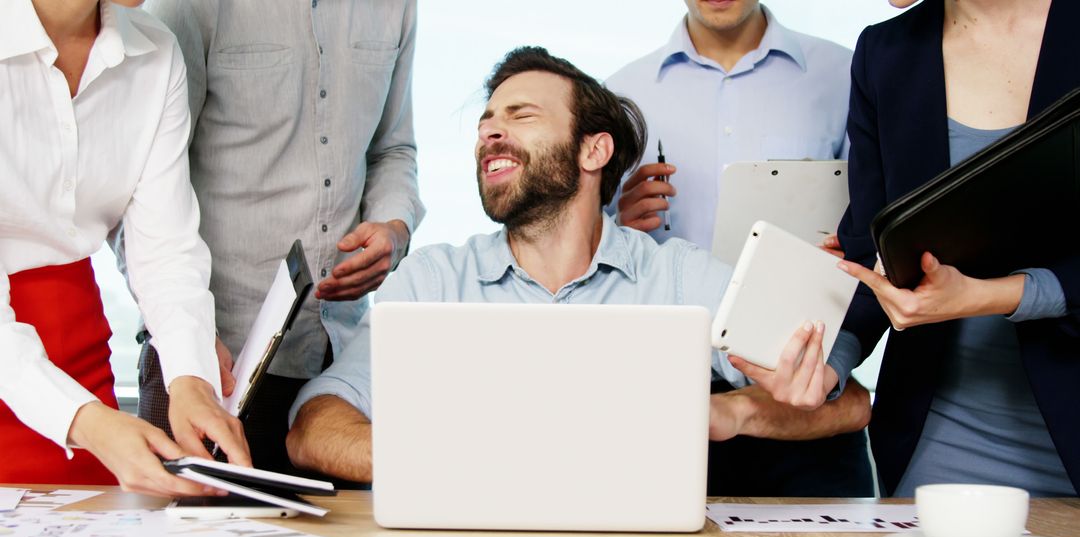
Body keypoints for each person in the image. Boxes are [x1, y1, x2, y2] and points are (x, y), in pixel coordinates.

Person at [285, 46, 865, 483]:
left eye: (521, 115)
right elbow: (314, 426)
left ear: (594, 150)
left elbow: (848, 399)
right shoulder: (433, 281)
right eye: (486, 122)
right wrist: (467, 465)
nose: (490, 132)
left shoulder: (680, 278)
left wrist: (731, 412)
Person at [138, 0, 425, 474]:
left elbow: (394, 148)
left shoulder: (395, 7)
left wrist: (395, 228)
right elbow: (142, 190)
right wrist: (184, 332)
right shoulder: (186, 4)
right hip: (211, 366)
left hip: (337, 368)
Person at [604, 0, 873, 497]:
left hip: (803, 399)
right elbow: (586, 250)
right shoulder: (621, 92)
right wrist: (617, 220)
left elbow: (875, 231)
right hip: (664, 404)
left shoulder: (845, 74)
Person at [0, 0, 249, 493]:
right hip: (37, 380)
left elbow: (165, 250)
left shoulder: (154, 54)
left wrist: (191, 381)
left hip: (78, 363)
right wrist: (89, 424)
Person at [835, 0, 1080, 497]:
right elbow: (871, 245)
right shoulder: (884, 52)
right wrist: (829, 361)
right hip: (939, 435)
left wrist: (998, 295)